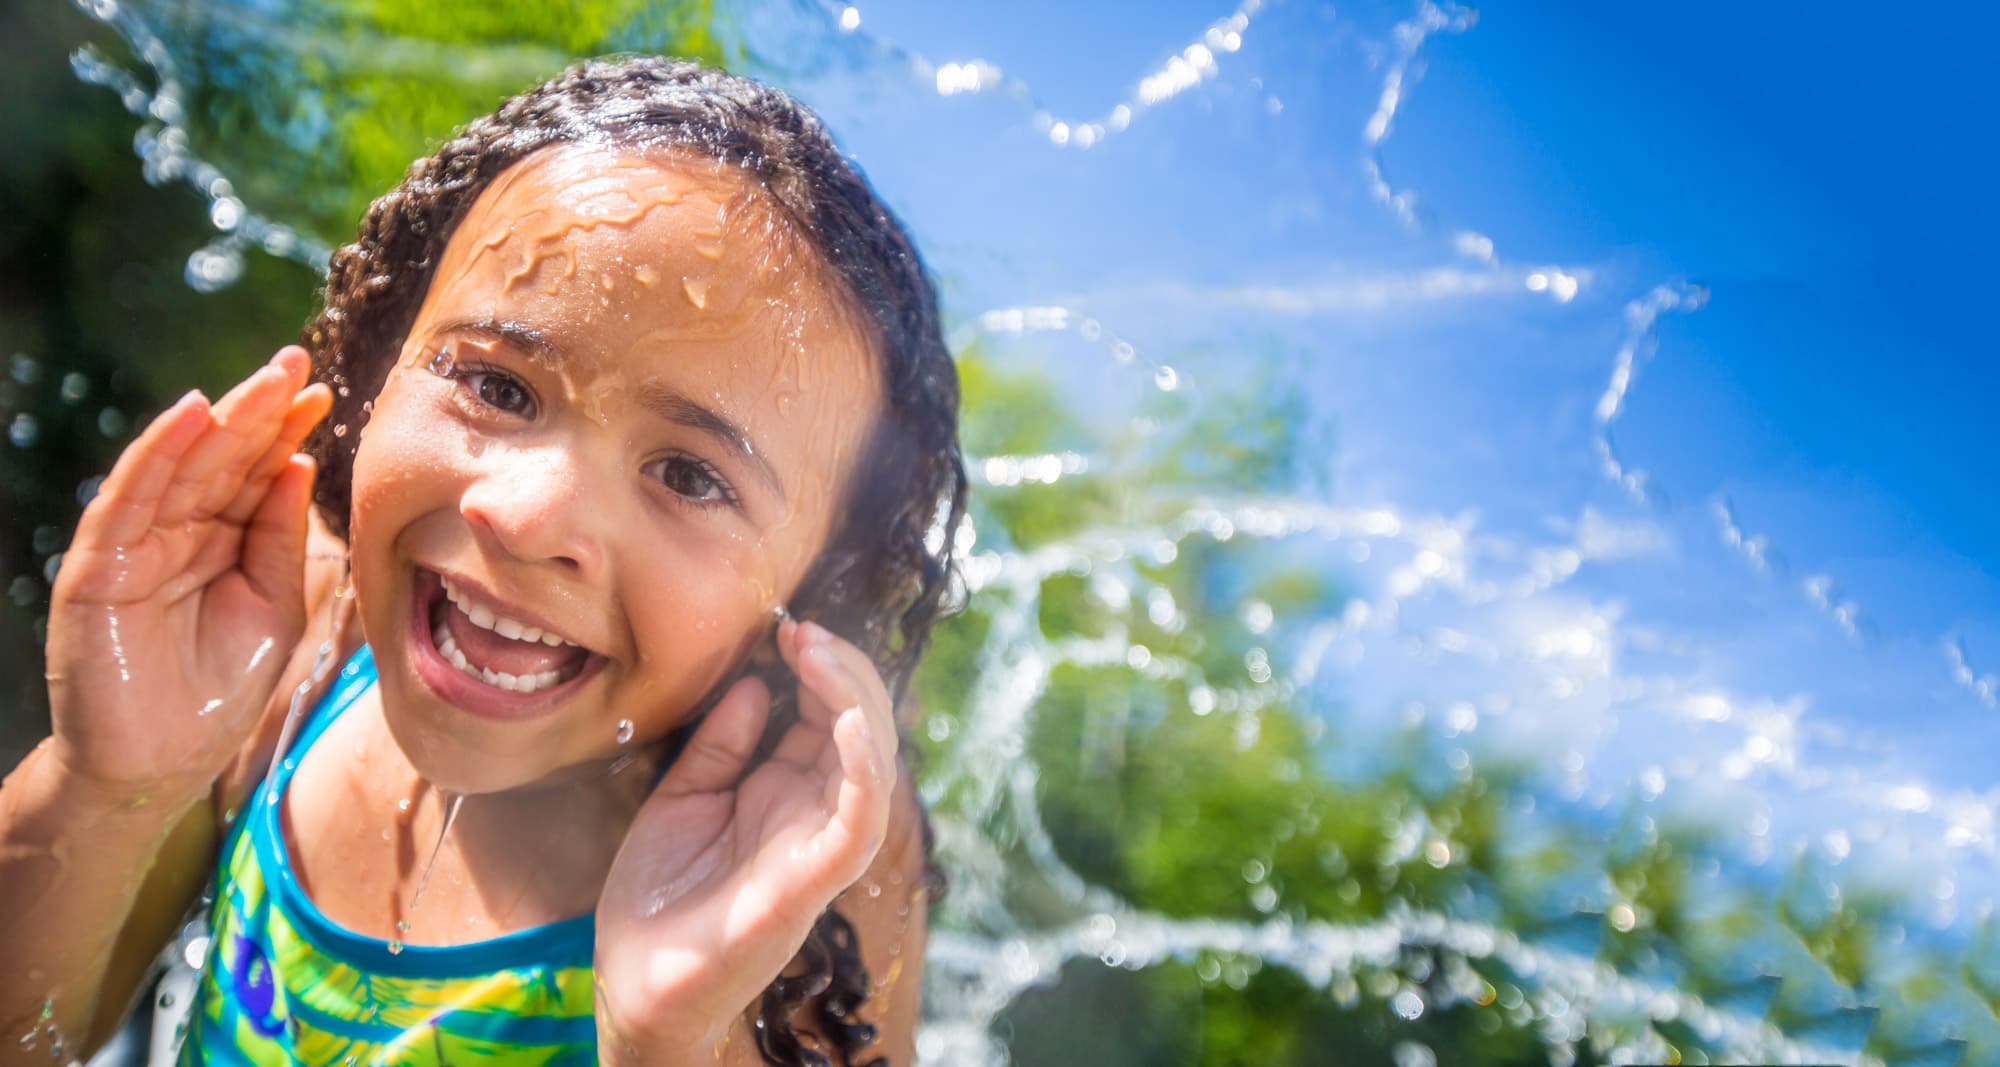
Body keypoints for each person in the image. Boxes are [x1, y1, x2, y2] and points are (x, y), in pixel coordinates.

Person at [0, 55, 966, 1067]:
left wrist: (669, 1037)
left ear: (813, 592)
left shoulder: (810, 848)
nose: (524, 517)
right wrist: (107, 786)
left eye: (689, 474)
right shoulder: (298, 630)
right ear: (380, 362)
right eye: (499, 387)